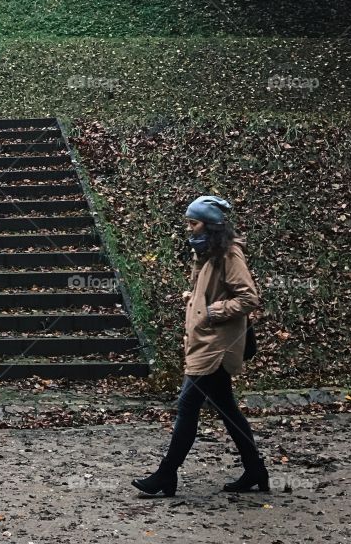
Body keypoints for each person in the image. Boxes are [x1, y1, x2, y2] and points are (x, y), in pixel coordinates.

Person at [131, 195, 268, 496]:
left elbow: (249, 297)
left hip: (216, 346)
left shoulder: (229, 254)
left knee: (187, 405)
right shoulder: (208, 253)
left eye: (193, 223)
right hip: (206, 342)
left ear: (210, 225)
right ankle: (255, 470)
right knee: (227, 408)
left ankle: (166, 474)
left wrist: (210, 311)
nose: (189, 229)